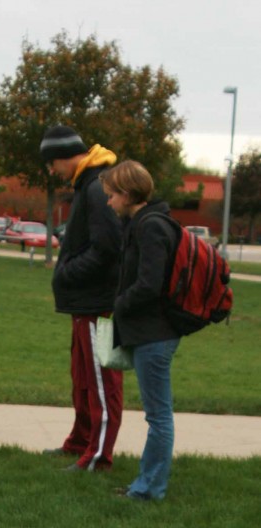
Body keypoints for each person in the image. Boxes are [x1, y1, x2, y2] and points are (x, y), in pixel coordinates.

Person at [39, 125, 123, 472]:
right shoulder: (88, 184)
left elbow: (109, 247)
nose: (50, 171)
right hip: (84, 303)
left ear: (61, 157)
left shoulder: (97, 185)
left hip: (97, 303)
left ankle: (99, 455)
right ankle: (80, 441)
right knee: (82, 376)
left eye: (50, 163)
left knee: (101, 380)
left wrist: (68, 271)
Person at [100, 159, 181, 499]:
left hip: (155, 334)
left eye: (111, 195)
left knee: (158, 416)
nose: (108, 202)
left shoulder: (150, 227)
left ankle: (149, 489)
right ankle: (147, 484)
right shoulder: (142, 223)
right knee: (157, 414)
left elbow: (149, 284)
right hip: (151, 331)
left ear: (128, 193)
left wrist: (120, 304)